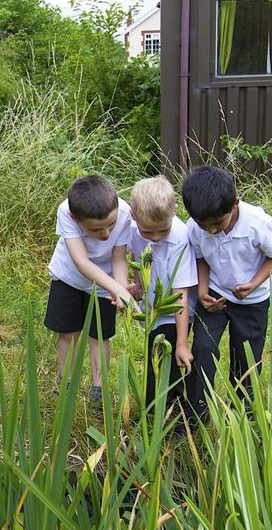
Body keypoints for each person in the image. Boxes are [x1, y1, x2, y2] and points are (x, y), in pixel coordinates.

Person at [182, 166, 272, 422]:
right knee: (203, 348)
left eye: (218, 223)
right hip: (216, 295)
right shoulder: (195, 228)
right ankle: (196, 416)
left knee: (246, 359)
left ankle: (241, 417)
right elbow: (201, 257)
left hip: (252, 300)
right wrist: (203, 289)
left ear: (235, 204)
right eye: (205, 226)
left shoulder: (258, 224)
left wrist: (253, 283)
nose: (212, 231)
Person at [44, 174, 135, 403]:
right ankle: (65, 384)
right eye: (96, 230)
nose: (105, 234)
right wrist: (117, 288)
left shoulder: (123, 212)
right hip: (69, 276)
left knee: (99, 335)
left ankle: (98, 389)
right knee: (68, 333)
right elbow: (81, 262)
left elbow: (119, 259)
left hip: (107, 280)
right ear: (76, 218)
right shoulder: (66, 211)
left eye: (110, 226)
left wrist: (121, 287)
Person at [125, 176, 197, 425]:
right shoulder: (134, 229)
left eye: (161, 230)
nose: (155, 238)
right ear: (134, 216)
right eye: (148, 231)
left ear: (174, 212)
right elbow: (139, 256)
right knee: (152, 361)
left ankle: (171, 416)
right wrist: (139, 287)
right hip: (152, 307)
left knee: (168, 358)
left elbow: (181, 296)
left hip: (174, 309)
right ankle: (154, 414)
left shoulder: (180, 237)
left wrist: (182, 343)